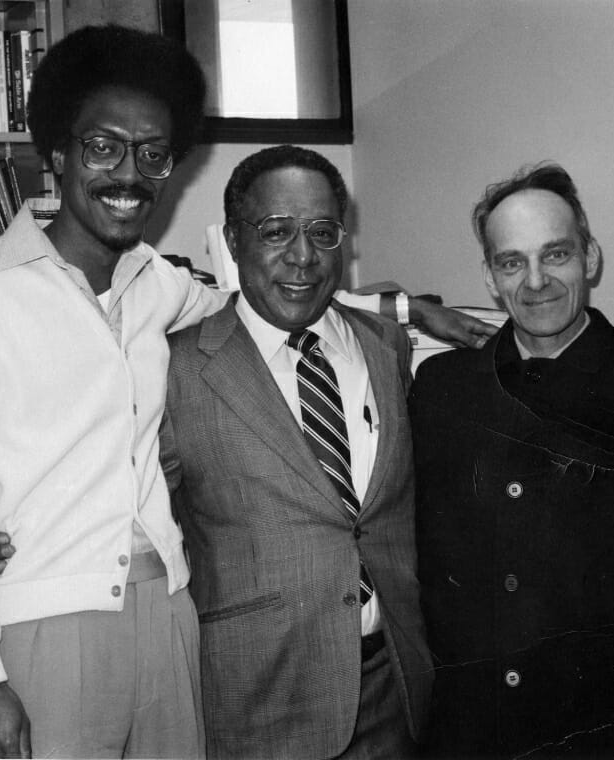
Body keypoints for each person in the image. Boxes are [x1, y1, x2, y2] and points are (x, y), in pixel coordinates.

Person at [0, 23, 492, 759]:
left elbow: (263, 290)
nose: (129, 174)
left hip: (170, 619)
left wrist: (407, 309)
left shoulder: (157, 285)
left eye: (153, 155)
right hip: (48, 623)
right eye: (102, 147)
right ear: (56, 152)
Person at [409, 162, 614, 758]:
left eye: (556, 254)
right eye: (512, 262)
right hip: (477, 733)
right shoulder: (442, 389)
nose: (536, 281)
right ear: (489, 277)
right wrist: (404, 306)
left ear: (589, 258)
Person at [159, 145, 431, 759]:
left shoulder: (387, 347)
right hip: (262, 700)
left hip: (397, 688)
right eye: (276, 231)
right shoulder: (178, 370)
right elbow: (136, 520)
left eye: (322, 232)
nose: (302, 256)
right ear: (233, 241)